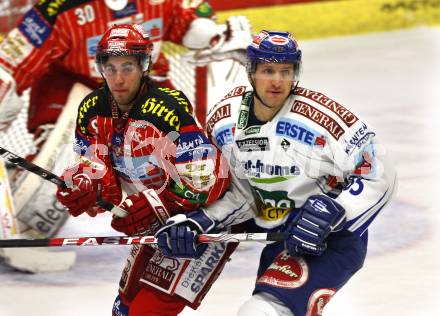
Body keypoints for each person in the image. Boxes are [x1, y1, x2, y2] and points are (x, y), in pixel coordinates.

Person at [155, 30, 398, 315]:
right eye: (268, 70)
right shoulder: (224, 119)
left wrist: (337, 211)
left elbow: (380, 175)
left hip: (330, 238)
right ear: (251, 71)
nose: (277, 81)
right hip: (280, 234)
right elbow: (243, 195)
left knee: (264, 311)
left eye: (286, 71)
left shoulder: (324, 118)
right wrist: (201, 220)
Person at [0, 0, 252, 239]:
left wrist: (218, 35)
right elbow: (8, 66)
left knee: (196, 161)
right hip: (74, 92)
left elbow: (189, 23)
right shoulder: (57, 9)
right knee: (63, 170)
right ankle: (22, 217)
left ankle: (213, 218)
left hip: (144, 89)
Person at [55, 23, 235, 315]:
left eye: (127, 66)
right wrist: (85, 182)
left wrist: (159, 203)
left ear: (144, 65)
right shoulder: (91, 108)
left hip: (206, 218)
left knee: (146, 312)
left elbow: (208, 179)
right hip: (159, 219)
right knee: (123, 310)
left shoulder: (168, 108)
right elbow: (92, 163)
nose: (118, 78)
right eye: (110, 67)